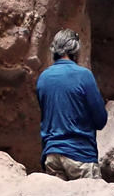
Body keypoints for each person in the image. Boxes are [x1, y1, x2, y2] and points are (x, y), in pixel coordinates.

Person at [35, 29, 108, 179]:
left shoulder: (43, 78)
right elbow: (101, 120)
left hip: (52, 156)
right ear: (75, 51)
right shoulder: (83, 76)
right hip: (80, 155)